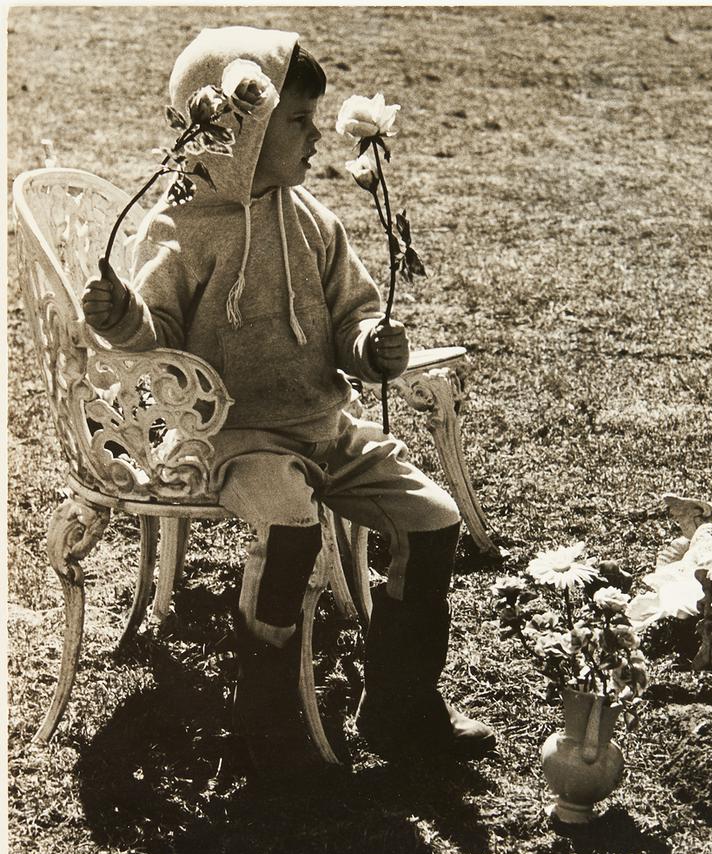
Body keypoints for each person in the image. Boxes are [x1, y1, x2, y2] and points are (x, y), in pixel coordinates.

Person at [80, 26, 495, 777]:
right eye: (297, 121)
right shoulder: (179, 231)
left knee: (433, 519)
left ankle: (402, 703)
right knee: (290, 524)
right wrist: (123, 321)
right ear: (238, 128)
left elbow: (352, 317)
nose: (313, 137)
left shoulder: (312, 221)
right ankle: (264, 705)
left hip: (327, 430)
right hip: (240, 439)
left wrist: (372, 344)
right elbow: (158, 342)